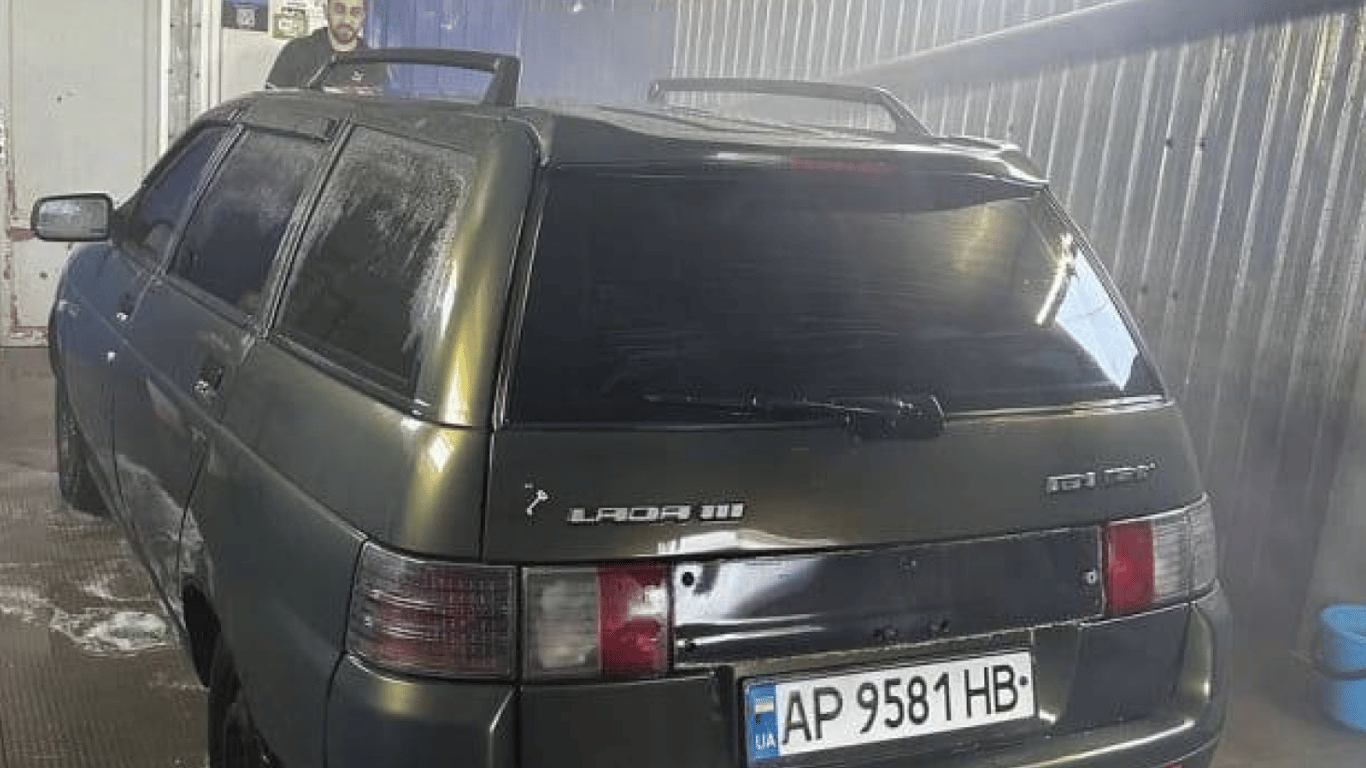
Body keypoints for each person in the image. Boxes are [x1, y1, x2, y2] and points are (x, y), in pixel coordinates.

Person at [266, 0, 385, 90]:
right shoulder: (295, 51)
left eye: (355, 12)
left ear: (363, 18)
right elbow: (270, 106)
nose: (347, 20)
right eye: (339, 10)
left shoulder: (373, 63)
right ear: (326, 11)